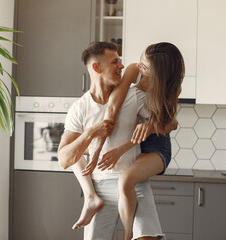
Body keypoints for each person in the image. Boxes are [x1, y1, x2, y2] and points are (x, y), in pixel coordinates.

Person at [71, 42, 185, 240]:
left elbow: (170, 123)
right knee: (122, 181)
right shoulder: (134, 71)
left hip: (158, 139)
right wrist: (97, 150)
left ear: (159, 73)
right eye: (141, 60)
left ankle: (128, 234)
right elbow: (112, 108)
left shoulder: (171, 86)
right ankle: (126, 232)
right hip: (141, 137)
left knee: (126, 181)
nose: (139, 66)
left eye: (146, 67)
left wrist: (147, 128)